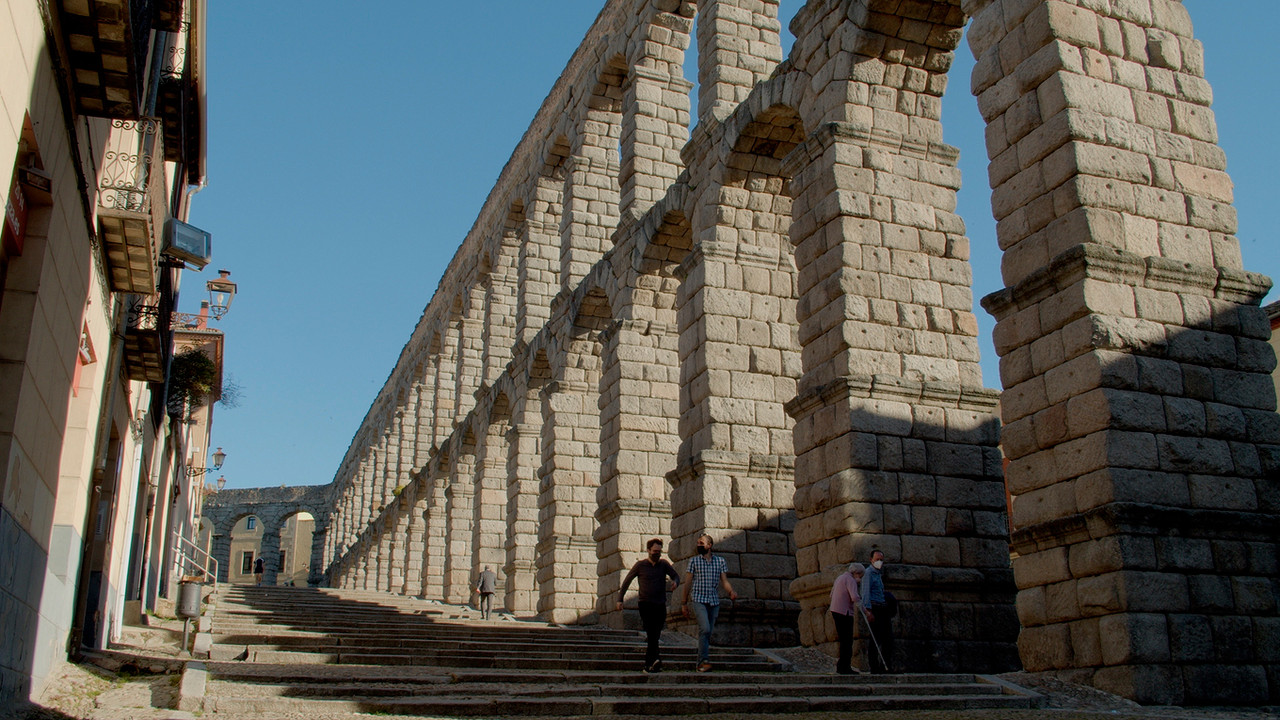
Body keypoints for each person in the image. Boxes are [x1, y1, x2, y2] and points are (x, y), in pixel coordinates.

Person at [616, 538, 681, 673]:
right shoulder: (640, 565)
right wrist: (620, 599)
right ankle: (653, 661)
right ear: (648, 551)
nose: (657, 554)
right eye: (654, 551)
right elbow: (627, 581)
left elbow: (676, 576)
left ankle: (652, 663)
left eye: (659, 551)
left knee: (655, 634)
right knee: (651, 632)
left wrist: (675, 582)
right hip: (645, 604)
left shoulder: (664, 564)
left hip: (660, 604)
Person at [681, 534, 737, 672]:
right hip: (699, 599)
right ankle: (702, 661)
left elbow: (724, 581)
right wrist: (684, 603)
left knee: (707, 632)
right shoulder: (694, 561)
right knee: (705, 629)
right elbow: (687, 583)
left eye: (701, 543)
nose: (698, 545)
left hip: (713, 601)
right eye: (698, 543)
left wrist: (731, 592)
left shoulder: (720, 561)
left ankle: (702, 661)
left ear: (709, 545)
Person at [859, 549, 894, 673]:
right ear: (871, 560)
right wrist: (868, 612)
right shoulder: (868, 573)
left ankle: (887, 665)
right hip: (874, 608)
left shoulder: (878, 574)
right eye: (877, 559)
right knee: (875, 638)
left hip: (882, 607)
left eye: (881, 559)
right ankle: (874, 666)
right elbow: (865, 593)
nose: (879, 562)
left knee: (888, 638)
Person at [828, 562, 865, 674]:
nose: (860, 578)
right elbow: (854, 596)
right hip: (845, 612)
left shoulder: (840, 577)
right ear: (857, 573)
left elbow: (831, 594)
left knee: (843, 639)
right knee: (847, 640)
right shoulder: (851, 580)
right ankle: (845, 667)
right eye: (861, 576)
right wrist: (864, 609)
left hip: (835, 610)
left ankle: (841, 666)